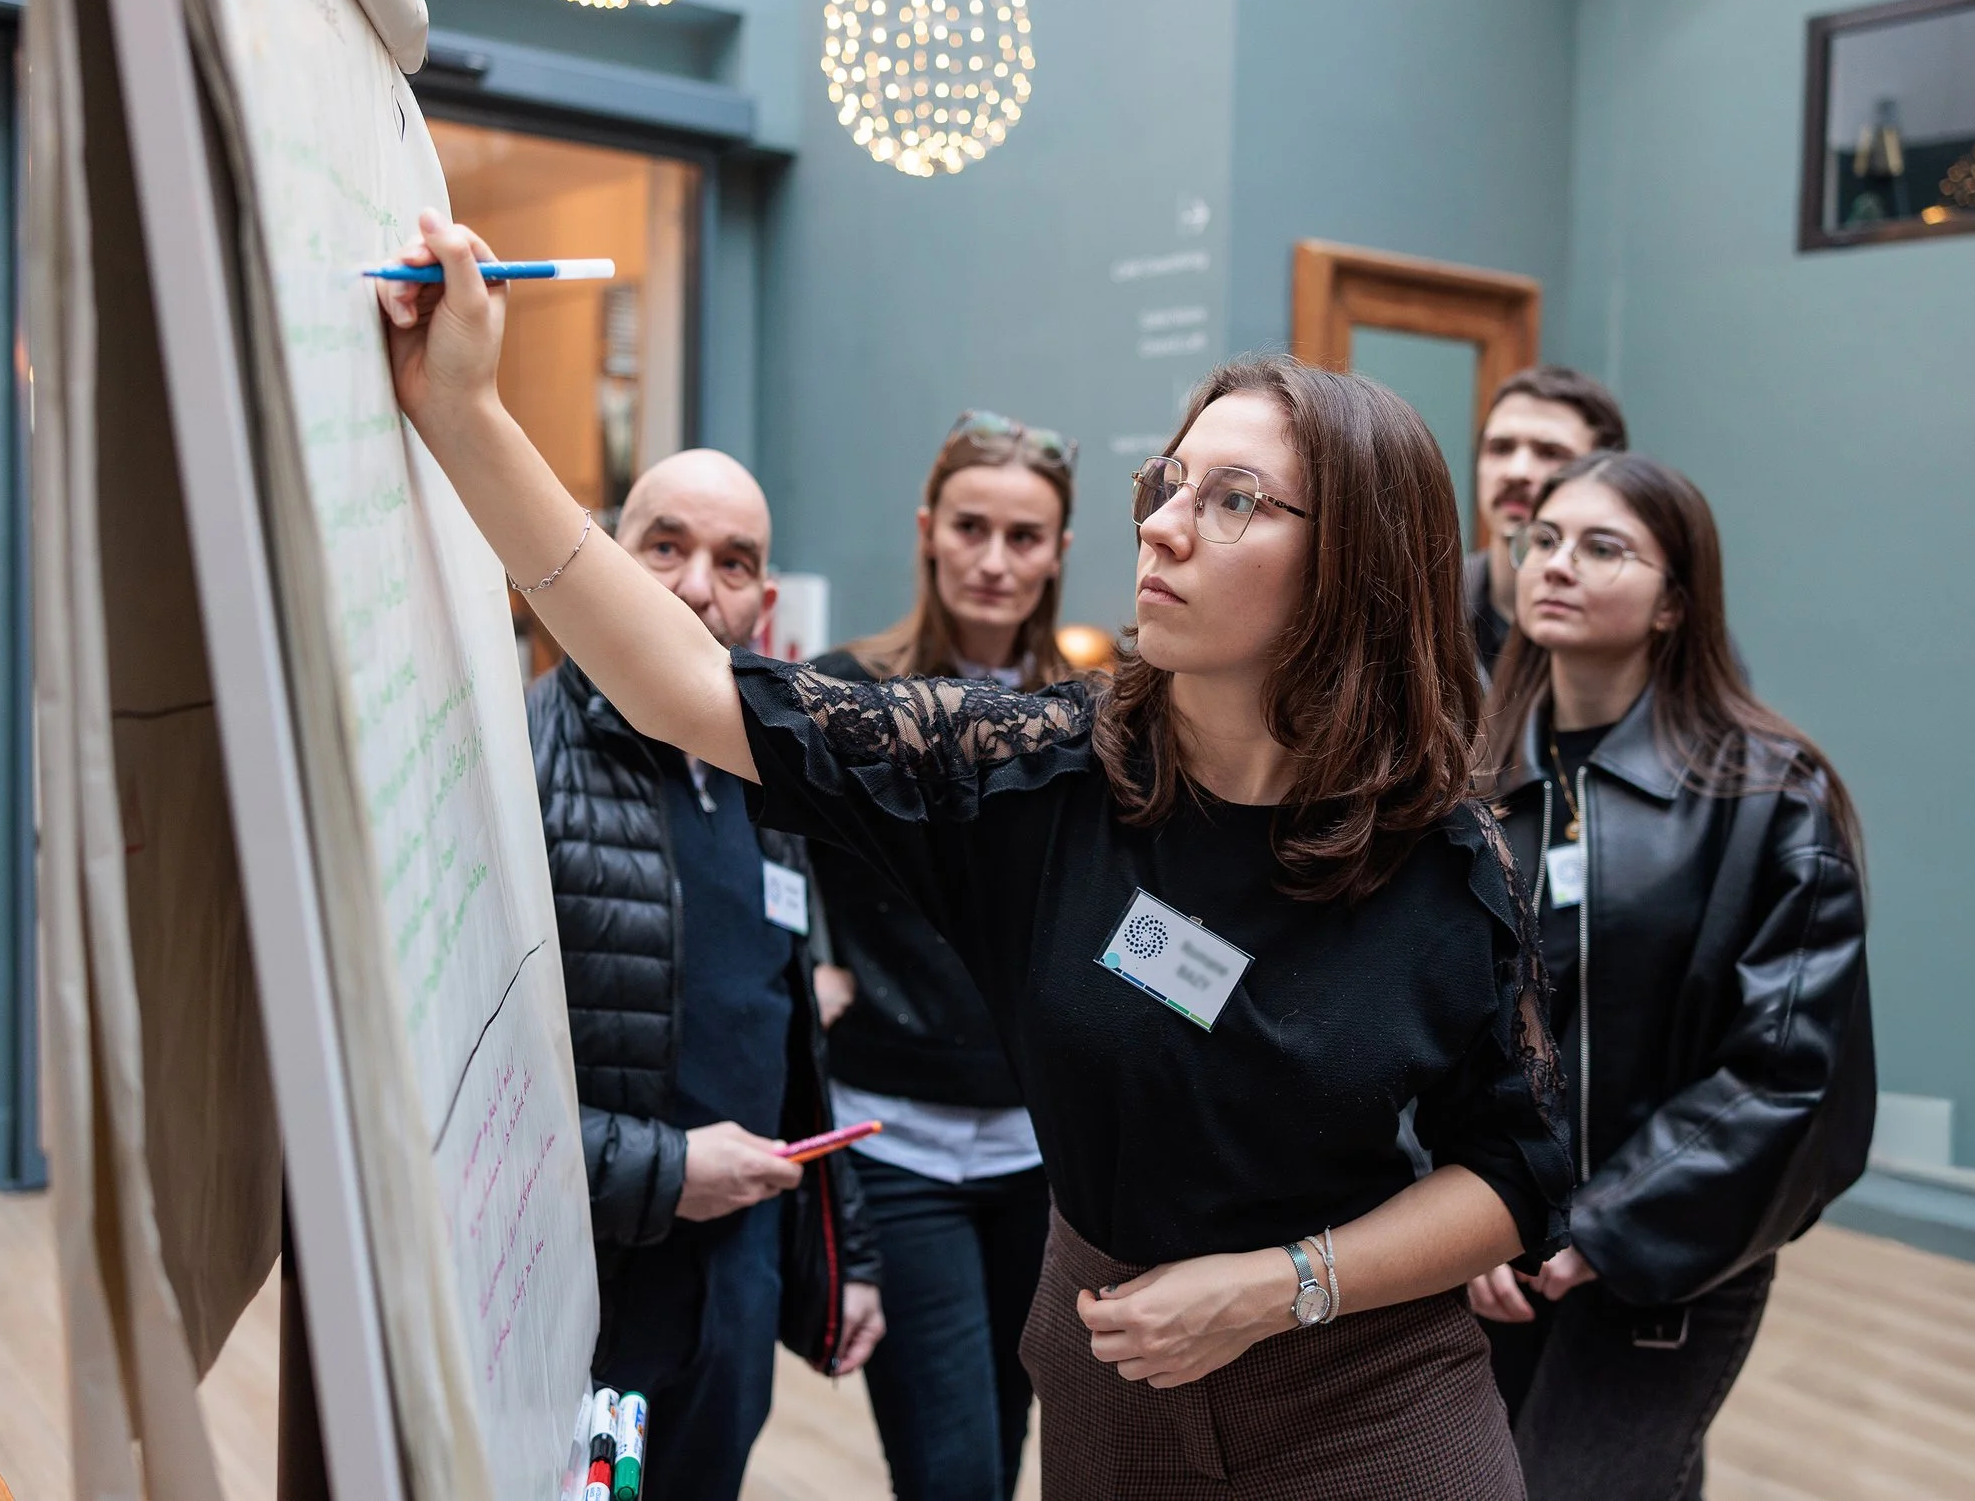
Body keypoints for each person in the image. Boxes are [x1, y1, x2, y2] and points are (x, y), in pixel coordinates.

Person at [377, 215, 1570, 1501]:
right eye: (1165, 485)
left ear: (1353, 565)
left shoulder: (1440, 850)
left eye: (1231, 501)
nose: (1164, 528)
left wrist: (1283, 1288)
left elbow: (1516, 1172)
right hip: (1122, 1376)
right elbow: (682, 686)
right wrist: (465, 415)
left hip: (1368, 1397)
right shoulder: (1038, 774)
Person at [1463, 451, 1874, 1500]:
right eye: (1543, 540)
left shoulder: (1770, 795)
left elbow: (1790, 1076)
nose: (1557, 564)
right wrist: (1450, 1214)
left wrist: (1605, 1227)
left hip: (1667, 1256)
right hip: (1484, 1253)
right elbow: (1419, 1025)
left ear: (1672, 603)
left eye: (1603, 548)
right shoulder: (1470, 780)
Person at [524, 446, 885, 1501]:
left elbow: (786, 1031)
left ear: (763, 602)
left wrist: (845, 1247)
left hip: (738, 1281)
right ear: (602, 558)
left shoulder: (760, 772)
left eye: (732, 565)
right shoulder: (517, 761)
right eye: (664, 547)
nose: (694, 587)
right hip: (589, 1299)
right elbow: (457, 1112)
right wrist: (671, 1171)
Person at [810, 409, 1077, 1501]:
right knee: (950, 1471)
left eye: (1025, 537)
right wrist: (808, 972)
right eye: (972, 527)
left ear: (1060, 552)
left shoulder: (1095, 715)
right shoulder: (846, 693)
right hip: (897, 1142)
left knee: (1008, 1444)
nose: (994, 560)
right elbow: (778, 864)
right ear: (928, 529)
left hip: (1041, 1156)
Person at [1465, 366, 1628, 679]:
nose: (1517, 471)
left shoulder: (1642, 627)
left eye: (1550, 453)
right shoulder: (1427, 608)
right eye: (1500, 448)